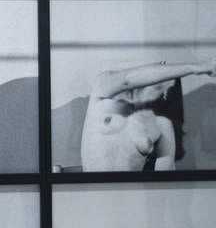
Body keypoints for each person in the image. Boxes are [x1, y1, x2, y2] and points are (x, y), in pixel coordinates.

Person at [80, 59, 215, 172]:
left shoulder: (161, 125)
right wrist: (198, 67)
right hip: (94, 195)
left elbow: (165, 180)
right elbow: (127, 79)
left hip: (131, 198)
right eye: (164, 74)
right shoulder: (104, 90)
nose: (164, 89)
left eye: (167, 86)